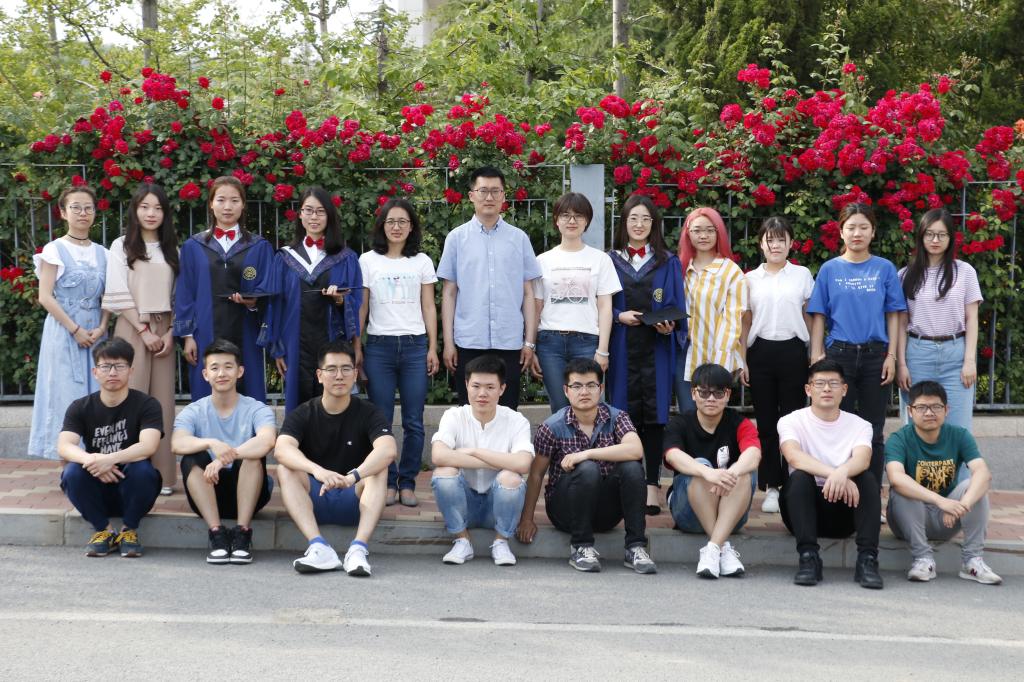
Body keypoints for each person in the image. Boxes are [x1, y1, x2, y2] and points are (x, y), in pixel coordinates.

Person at [519, 357, 655, 574]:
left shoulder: (617, 418)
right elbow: (536, 475)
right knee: (587, 470)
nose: (584, 392)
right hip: (565, 510)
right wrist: (527, 519)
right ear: (566, 391)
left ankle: (635, 547)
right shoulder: (552, 427)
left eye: (591, 385)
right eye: (577, 386)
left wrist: (586, 454)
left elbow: (635, 449)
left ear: (600, 389)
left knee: (632, 468)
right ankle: (580, 547)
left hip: (605, 512)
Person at [274, 339, 397, 576]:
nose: (339, 376)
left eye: (346, 369)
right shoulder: (303, 412)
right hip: (314, 497)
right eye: (331, 369)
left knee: (379, 469)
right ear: (319, 375)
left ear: (355, 375)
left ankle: (358, 549)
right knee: (285, 468)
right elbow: (281, 449)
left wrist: (353, 477)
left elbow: (388, 450)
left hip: (356, 497)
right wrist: (317, 471)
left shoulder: (369, 412)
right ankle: (319, 547)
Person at [808, 202, 907, 483]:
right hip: (839, 355)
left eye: (864, 227)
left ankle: (870, 492)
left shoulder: (884, 268)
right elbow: (819, 315)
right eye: (851, 227)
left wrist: (892, 356)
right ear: (841, 232)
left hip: (876, 356)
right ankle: (836, 486)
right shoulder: (830, 269)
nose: (857, 233)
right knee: (836, 424)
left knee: (873, 429)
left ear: (873, 232)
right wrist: (816, 355)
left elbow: (894, 314)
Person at [606, 194, 686, 517]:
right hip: (621, 345)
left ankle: (652, 484)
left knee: (655, 416)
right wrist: (617, 316)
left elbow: (678, 304)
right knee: (623, 413)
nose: (639, 224)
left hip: (657, 347)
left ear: (654, 224)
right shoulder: (609, 261)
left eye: (645, 219)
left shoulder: (668, 261)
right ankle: (631, 482)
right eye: (633, 218)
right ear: (624, 223)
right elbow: (599, 303)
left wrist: (670, 325)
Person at [437, 166, 542, 410]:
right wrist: (449, 343)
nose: (489, 197)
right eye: (483, 191)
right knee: (470, 412)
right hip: (468, 342)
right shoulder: (456, 238)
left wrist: (529, 342)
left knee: (507, 412)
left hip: (509, 342)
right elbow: (449, 293)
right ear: (471, 195)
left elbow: (528, 293)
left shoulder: (519, 238)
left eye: (496, 191)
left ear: (504, 196)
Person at [359, 198, 438, 508]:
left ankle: (407, 482)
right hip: (379, 347)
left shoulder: (421, 261)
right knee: (380, 419)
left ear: (411, 226)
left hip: (415, 347)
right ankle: (388, 481)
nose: (396, 227)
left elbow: (429, 306)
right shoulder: (368, 261)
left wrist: (433, 346)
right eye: (391, 221)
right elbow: (362, 307)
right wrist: (357, 346)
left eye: (403, 221)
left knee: (414, 421)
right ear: (382, 225)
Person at [777, 359, 883, 589]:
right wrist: (835, 474)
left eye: (833, 383)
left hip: (845, 512)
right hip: (803, 510)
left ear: (844, 389)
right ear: (808, 389)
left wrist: (843, 472)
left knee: (867, 479)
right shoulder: (790, 421)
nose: (826, 389)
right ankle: (808, 558)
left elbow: (863, 459)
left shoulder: (860, 425)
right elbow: (794, 457)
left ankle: (867, 560)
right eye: (820, 383)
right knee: (799, 477)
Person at [102, 183, 179, 495]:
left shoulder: (173, 250)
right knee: (126, 397)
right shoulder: (121, 246)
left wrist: (172, 332)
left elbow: (181, 295)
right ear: (135, 210)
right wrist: (144, 331)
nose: (151, 213)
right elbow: (117, 290)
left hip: (166, 330)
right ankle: (123, 471)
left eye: (157, 208)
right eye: (145, 206)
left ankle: (162, 476)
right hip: (132, 327)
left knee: (162, 403)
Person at [171, 339, 277, 564]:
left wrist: (224, 458)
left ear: (240, 372)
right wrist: (210, 443)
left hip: (250, 493)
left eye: (228, 367)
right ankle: (216, 534)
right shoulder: (193, 410)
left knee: (252, 455)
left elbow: (267, 441)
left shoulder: (257, 408)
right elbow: (177, 443)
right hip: (207, 493)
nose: (221, 373)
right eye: (214, 368)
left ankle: (242, 533)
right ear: (205, 374)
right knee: (192, 457)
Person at [55, 337, 163, 557]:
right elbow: (64, 446)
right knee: (72, 471)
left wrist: (110, 459)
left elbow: (148, 446)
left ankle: (128, 531)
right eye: (105, 366)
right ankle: (104, 530)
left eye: (119, 366)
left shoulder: (147, 404)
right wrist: (93, 461)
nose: (112, 372)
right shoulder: (80, 407)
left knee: (143, 469)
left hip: (134, 489)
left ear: (131, 370)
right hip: (95, 488)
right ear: (95, 372)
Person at [885, 381, 1001, 584]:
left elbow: (983, 473)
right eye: (922, 407)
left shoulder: (959, 435)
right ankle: (923, 559)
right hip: (908, 520)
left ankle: (972, 561)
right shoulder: (899, 439)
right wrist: (941, 501)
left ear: (946, 410)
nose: (929, 412)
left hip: (947, 519)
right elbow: (895, 477)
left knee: (973, 485)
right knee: (901, 488)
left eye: (936, 407)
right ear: (910, 411)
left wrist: (961, 505)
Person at [175, 175, 275, 402]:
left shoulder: (259, 246)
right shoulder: (193, 246)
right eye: (221, 200)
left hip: (246, 330)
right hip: (204, 331)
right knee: (206, 394)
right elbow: (185, 293)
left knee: (248, 391)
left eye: (234, 200)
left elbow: (267, 290)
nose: (227, 206)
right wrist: (188, 336)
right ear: (211, 204)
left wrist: (253, 303)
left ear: (243, 205)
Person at [28, 185, 109, 459]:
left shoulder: (103, 253)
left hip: (95, 333)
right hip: (64, 332)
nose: (83, 213)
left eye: (88, 208)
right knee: (65, 393)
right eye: (75, 207)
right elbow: (45, 296)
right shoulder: (54, 249)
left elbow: (109, 297)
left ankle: (96, 460)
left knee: (98, 393)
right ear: (63, 212)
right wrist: (74, 329)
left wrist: (103, 326)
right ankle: (68, 464)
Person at [739, 217, 814, 514]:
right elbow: (746, 321)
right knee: (767, 423)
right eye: (770, 240)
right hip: (760, 352)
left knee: (793, 420)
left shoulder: (802, 275)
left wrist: (815, 352)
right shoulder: (750, 279)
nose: (776, 245)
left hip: (794, 351)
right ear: (761, 244)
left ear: (791, 243)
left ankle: (793, 480)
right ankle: (771, 485)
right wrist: (742, 359)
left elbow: (810, 316)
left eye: (781, 239)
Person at [265, 186, 362, 412]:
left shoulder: (345, 258)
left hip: (332, 340)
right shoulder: (285, 257)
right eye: (308, 210)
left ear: (329, 215)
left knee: (333, 407)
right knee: (299, 408)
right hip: (295, 343)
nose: (314, 217)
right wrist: (278, 348)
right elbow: (275, 304)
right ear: (300, 214)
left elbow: (356, 301)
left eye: (320, 211)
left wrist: (340, 300)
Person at [430, 355, 532, 566]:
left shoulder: (516, 420)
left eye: (490, 387)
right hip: (464, 502)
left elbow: (523, 463)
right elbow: (439, 455)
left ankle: (501, 542)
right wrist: (501, 461)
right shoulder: (454, 416)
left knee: (511, 478)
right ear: (466, 385)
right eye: (476, 386)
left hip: (498, 504)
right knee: (444, 473)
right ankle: (462, 540)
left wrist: (474, 452)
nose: (482, 393)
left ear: (502, 389)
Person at [664, 363, 761, 579]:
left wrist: (731, 473)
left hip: (731, 515)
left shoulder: (740, 423)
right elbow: (672, 455)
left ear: (728, 395)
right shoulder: (679, 424)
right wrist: (707, 473)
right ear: (693, 393)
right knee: (700, 466)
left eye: (718, 393)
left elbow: (754, 454)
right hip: (689, 514)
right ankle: (722, 547)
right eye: (704, 392)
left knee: (743, 472)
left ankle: (714, 549)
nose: (711, 399)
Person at [530, 192, 620, 413]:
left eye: (578, 216)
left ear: (586, 221)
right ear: (556, 220)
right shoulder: (542, 261)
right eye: (565, 215)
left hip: (587, 341)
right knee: (560, 406)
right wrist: (531, 346)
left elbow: (605, 307)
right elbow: (536, 307)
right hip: (549, 342)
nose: (572, 221)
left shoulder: (601, 260)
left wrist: (603, 350)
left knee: (588, 405)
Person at [896, 208, 982, 431]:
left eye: (942, 235)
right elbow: (901, 324)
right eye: (930, 234)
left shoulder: (965, 272)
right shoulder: (905, 275)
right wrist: (901, 364)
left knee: (958, 428)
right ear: (921, 236)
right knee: (917, 427)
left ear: (950, 238)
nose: (935, 240)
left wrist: (969, 361)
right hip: (917, 355)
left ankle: (957, 460)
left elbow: (972, 319)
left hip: (955, 355)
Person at [677, 206, 745, 414]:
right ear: (688, 233)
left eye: (709, 230)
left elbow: (732, 320)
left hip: (717, 354)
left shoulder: (730, 271)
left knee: (713, 415)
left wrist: (719, 364)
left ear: (719, 233)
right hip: (685, 355)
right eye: (697, 230)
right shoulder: (679, 268)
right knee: (689, 414)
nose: (703, 236)